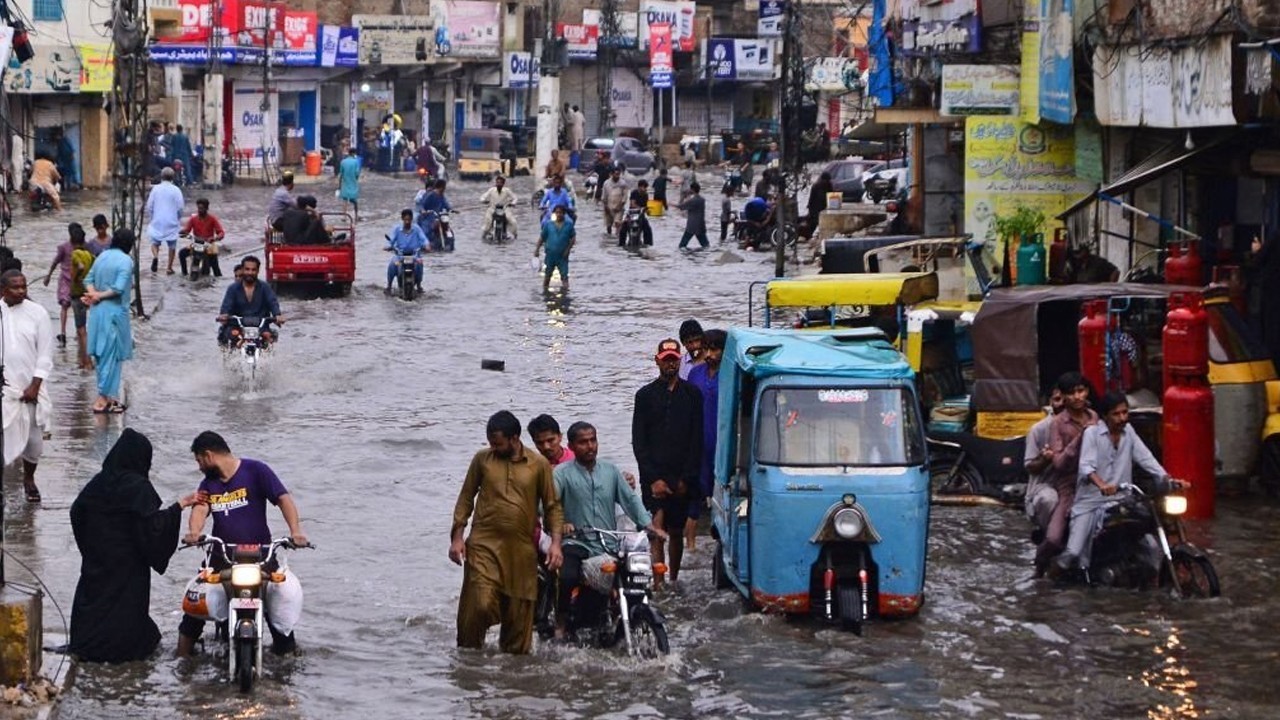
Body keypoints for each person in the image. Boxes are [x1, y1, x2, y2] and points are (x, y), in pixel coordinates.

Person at [69, 429, 203, 663]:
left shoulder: (97, 483)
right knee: (126, 609)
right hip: (128, 565)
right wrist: (179, 506)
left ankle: (85, 646)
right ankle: (125, 651)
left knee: (94, 602)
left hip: (97, 561)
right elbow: (153, 527)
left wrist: (91, 547)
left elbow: (77, 512)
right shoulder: (138, 487)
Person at [178, 431, 309, 657]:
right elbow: (200, 508)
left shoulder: (257, 471)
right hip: (221, 558)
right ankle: (182, 663)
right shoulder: (208, 483)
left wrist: (296, 532)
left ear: (208, 456)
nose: (199, 467)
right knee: (193, 613)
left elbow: (283, 499)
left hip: (262, 557)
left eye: (199, 461)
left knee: (278, 615)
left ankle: (288, 665)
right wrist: (194, 532)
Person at [450, 411, 564, 655]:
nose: (493, 448)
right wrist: (458, 537)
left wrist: (555, 544)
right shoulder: (482, 460)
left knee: (518, 620)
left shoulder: (538, 465)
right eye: (490, 443)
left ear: (514, 439)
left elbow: (553, 506)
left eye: (497, 444)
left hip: (521, 551)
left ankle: (513, 682)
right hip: (483, 545)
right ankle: (469, 662)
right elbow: (466, 498)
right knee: (478, 605)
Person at [553, 421, 663, 636]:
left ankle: (627, 615)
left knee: (636, 575)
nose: (590, 446)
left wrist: (650, 527)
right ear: (572, 446)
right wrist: (561, 524)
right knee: (567, 576)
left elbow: (630, 501)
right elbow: (548, 504)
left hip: (608, 542)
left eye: (593, 440)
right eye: (583, 442)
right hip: (577, 541)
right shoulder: (561, 473)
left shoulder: (611, 471)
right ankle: (561, 621)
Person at [1056, 392, 1182, 577]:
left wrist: (1167, 479)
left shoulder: (1129, 431)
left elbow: (1146, 458)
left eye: (1125, 412)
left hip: (1122, 499)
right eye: (1117, 414)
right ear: (1105, 416)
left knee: (1146, 525)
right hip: (1091, 502)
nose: (1122, 418)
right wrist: (1102, 485)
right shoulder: (1092, 433)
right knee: (1073, 553)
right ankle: (1049, 580)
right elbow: (1086, 466)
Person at [632, 339, 703, 584]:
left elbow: (697, 440)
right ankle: (658, 583)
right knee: (656, 530)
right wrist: (653, 479)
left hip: (682, 475)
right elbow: (639, 442)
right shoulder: (644, 396)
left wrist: (686, 478)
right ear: (657, 361)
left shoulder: (692, 395)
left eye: (674, 359)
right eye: (666, 359)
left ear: (679, 360)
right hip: (653, 476)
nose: (670, 364)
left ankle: (673, 579)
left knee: (675, 532)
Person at [1033, 374, 1097, 577]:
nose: (1078, 397)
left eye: (1081, 391)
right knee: (1053, 538)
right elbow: (1058, 462)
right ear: (1065, 396)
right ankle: (1040, 566)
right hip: (1068, 484)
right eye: (1072, 393)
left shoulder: (1094, 417)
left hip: (1094, 481)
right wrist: (1080, 438)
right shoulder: (1058, 424)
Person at [1, 270, 54, 503]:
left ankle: (29, 479)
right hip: (5, 389)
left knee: (34, 442)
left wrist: (35, 385)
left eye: (23, 286)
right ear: (3, 290)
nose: (22, 290)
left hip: (31, 390)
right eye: (16, 287)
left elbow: (45, 354)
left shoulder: (37, 313)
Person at [83, 229, 135, 414]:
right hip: (114, 313)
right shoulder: (126, 260)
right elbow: (119, 288)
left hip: (97, 312)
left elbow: (87, 279)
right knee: (111, 356)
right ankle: (103, 397)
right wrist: (98, 295)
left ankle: (109, 396)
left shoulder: (102, 256)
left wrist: (92, 294)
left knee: (101, 355)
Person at [685, 328, 725, 549]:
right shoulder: (695, 375)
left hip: (723, 445)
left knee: (720, 495)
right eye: (706, 349)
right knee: (694, 494)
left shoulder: (731, 375)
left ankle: (719, 542)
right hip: (698, 444)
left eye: (714, 349)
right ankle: (690, 545)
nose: (708, 354)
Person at [1023, 384, 1066, 541]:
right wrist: (1045, 459)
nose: (1061, 404)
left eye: (1064, 399)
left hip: (1072, 485)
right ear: (1051, 402)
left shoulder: (1083, 426)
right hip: (1045, 486)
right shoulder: (1039, 430)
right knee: (1049, 499)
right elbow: (1030, 466)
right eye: (1057, 399)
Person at [218, 256, 284, 345]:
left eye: (253, 270)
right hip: (237, 326)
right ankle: (232, 358)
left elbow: (272, 302)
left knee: (268, 337)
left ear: (258, 271)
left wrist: (277, 315)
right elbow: (226, 306)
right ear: (242, 270)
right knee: (233, 335)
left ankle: (268, 358)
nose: (250, 272)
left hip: (261, 327)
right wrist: (224, 315)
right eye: (247, 269)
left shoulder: (265, 287)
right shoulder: (232, 289)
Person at [43, 222, 86, 347]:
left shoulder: (84, 247)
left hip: (79, 280)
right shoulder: (64, 247)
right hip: (66, 280)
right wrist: (48, 276)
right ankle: (63, 332)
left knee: (80, 306)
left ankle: (79, 332)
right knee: (64, 305)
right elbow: (56, 261)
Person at [145, 167, 184, 274]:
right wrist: (178, 218)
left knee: (154, 242)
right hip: (171, 221)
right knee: (172, 245)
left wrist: (152, 217)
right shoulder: (176, 190)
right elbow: (180, 208)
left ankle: (156, 256)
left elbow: (149, 206)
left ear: (161, 177)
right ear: (173, 177)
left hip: (157, 220)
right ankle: (169, 268)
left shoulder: (155, 189)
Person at [385, 209, 430, 294]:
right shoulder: (397, 229)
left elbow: (424, 239)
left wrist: (427, 245)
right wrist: (388, 246)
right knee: (392, 264)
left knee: (420, 264)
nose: (407, 222)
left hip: (414, 255)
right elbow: (391, 240)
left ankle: (419, 285)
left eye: (409, 220)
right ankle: (389, 286)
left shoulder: (417, 229)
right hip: (400, 255)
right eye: (405, 220)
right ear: (402, 219)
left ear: (412, 219)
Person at [68, 233, 96, 369]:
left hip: (77, 294)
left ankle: (87, 361)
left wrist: (75, 280)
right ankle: (84, 359)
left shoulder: (75, 254)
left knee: (81, 330)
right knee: (84, 328)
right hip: (87, 293)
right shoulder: (89, 255)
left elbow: (80, 267)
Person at [178, 198, 225, 278]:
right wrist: (182, 232)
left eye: (202, 209)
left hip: (209, 244)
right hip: (197, 243)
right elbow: (187, 230)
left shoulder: (212, 219)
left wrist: (215, 238)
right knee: (181, 253)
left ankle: (218, 279)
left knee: (216, 269)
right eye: (199, 208)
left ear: (207, 209)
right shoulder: (193, 219)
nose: (200, 210)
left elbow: (221, 232)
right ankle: (184, 273)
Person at [534, 204, 575, 293]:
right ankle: (545, 293)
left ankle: (566, 294)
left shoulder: (569, 225)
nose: (559, 214)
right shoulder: (549, 225)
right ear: (554, 213)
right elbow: (542, 238)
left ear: (564, 214)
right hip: (550, 255)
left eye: (560, 213)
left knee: (564, 277)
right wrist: (537, 249)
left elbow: (573, 238)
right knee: (547, 276)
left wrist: (568, 250)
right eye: (557, 212)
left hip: (562, 256)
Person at [479, 175, 520, 241]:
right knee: (488, 222)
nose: (498, 184)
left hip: (504, 209)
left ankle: (515, 235)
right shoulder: (491, 190)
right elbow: (482, 197)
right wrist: (484, 201)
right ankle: (484, 235)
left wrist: (513, 203)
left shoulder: (507, 190)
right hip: (492, 209)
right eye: (497, 182)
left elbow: (515, 198)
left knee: (513, 222)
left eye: (500, 183)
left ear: (503, 184)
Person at [416, 179, 453, 251]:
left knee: (447, 227)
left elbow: (446, 204)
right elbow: (422, 204)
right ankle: (424, 244)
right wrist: (423, 210)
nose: (444, 189)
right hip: (428, 217)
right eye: (444, 187)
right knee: (426, 230)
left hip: (439, 216)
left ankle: (449, 241)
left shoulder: (442, 195)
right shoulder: (430, 195)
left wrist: (451, 209)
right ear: (441, 187)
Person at [677, 182, 710, 250]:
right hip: (700, 225)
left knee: (682, 245)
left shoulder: (692, 200)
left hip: (691, 226)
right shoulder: (702, 200)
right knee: (705, 245)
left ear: (692, 189)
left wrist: (671, 204)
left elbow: (681, 207)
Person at [601, 167, 629, 236]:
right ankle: (609, 237)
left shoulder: (623, 184)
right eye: (616, 174)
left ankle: (617, 237)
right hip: (608, 206)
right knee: (608, 225)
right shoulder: (606, 183)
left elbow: (625, 196)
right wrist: (605, 206)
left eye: (618, 174)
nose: (617, 176)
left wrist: (620, 206)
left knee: (617, 223)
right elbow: (604, 196)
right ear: (611, 174)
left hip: (619, 207)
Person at [804, 172, 833, 239]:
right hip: (815, 208)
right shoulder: (816, 186)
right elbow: (811, 198)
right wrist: (809, 208)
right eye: (826, 180)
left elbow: (831, 194)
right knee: (813, 223)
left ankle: (821, 235)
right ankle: (809, 236)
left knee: (823, 222)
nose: (826, 182)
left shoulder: (829, 185)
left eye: (827, 180)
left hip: (824, 207)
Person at [338, 146, 362, 220]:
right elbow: (357, 173)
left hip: (345, 183)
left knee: (345, 200)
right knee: (354, 200)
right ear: (354, 153)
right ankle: (356, 215)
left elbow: (340, 175)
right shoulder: (356, 162)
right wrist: (356, 179)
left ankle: (344, 216)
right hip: (353, 182)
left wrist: (339, 185)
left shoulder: (343, 162)